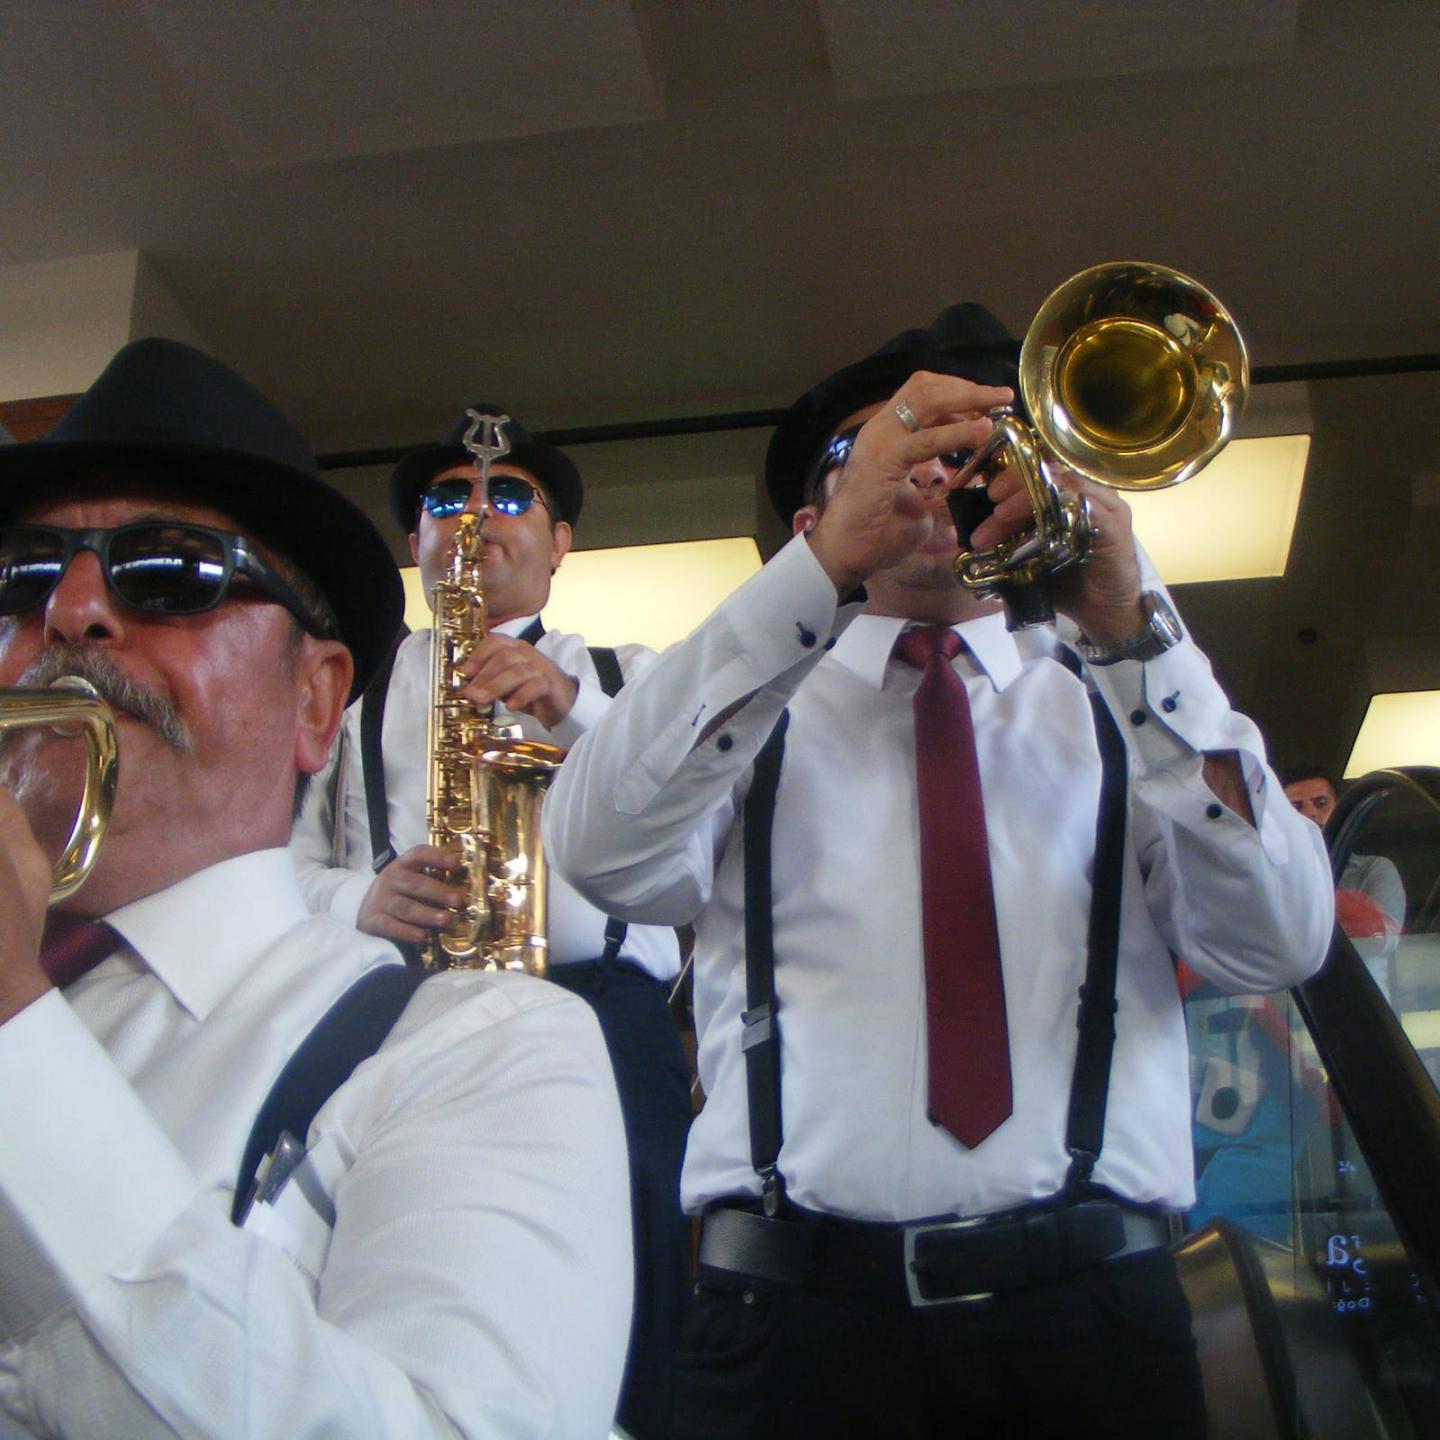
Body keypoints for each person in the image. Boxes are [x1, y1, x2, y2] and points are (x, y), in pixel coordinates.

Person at [543, 304, 1335, 1439]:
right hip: (791, 1328)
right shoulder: (735, 707)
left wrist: (1138, 632)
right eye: (886, 446)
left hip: (1097, 1319)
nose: (933, 468)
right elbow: (600, 854)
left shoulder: (1125, 703)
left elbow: (1281, 940)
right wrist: (812, 577)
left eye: (971, 450)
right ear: (813, 519)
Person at [0, 340, 632, 1439]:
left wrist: (16, 1034)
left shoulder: (483, 1052)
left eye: (170, 570)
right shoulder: (384, 704)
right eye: (21, 574)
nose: (71, 609)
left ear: (313, 700)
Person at [291, 404, 690, 1440]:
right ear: (413, 541)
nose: (475, 513)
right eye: (447, 499)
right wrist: (355, 898)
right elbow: (274, 864)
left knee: (640, 1260)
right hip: (403, 1006)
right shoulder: (347, 695)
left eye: (510, 495)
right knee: (393, 1254)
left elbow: (698, 818)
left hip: (604, 1013)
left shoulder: (631, 675)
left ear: (560, 545)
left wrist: (573, 709)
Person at [1284, 765, 1405, 996]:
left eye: (1321, 803)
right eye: (1297, 807)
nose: (1310, 813)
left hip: (1365, 1003)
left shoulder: (1374, 868)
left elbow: (1384, 940)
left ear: (1338, 811)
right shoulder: (1272, 876)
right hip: (1296, 1004)